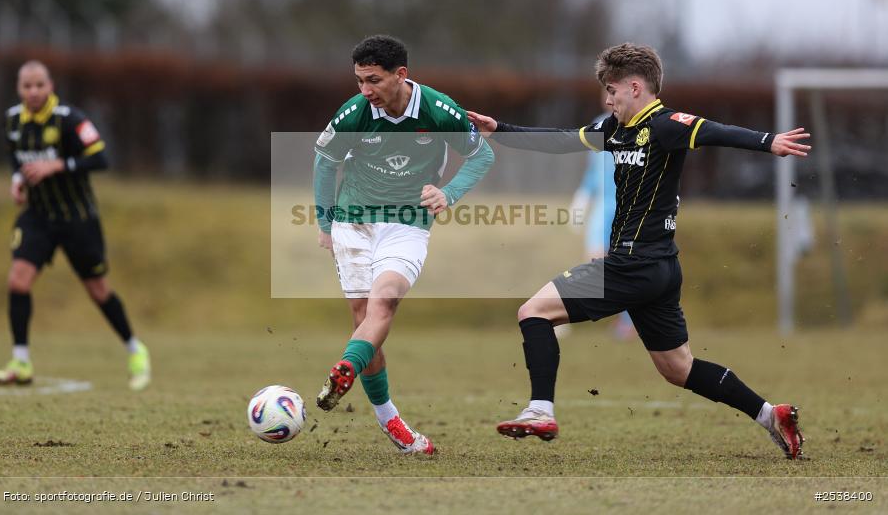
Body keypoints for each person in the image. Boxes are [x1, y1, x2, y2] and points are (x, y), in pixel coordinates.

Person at [467, 43, 810, 459]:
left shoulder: (666, 125)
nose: (607, 100)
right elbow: (562, 141)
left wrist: (768, 141)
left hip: (633, 264)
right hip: (658, 268)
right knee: (678, 369)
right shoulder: (615, 129)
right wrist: (500, 129)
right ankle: (771, 415)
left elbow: (716, 131)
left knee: (533, 312)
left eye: (612, 91)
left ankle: (540, 409)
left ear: (635, 87)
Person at [313, 35, 494, 454]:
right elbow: (324, 162)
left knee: (386, 300)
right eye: (359, 80)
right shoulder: (354, 112)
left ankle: (345, 367)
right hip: (353, 220)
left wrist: (448, 193)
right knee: (364, 321)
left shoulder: (438, 109)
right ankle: (389, 419)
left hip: (407, 223)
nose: (365, 90)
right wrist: (325, 224)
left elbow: (482, 155)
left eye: (373, 80)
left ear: (401, 75)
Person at [0, 61, 150, 391]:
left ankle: (135, 349)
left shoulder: (69, 119)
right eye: (27, 86)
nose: (33, 92)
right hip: (38, 217)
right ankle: (21, 361)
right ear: (19, 89)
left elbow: (101, 158)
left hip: (77, 218)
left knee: (98, 290)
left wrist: (58, 165)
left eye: (39, 85)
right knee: (18, 280)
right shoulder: (12, 121)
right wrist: (18, 180)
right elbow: (15, 158)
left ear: (50, 86)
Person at [561, 107, 636, 341]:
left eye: (614, 91)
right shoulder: (600, 124)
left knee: (628, 265)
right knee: (594, 262)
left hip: (631, 208)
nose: (610, 98)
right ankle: (559, 312)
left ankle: (629, 323)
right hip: (603, 206)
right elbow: (594, 169)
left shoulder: (645, 124)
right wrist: (582, 197)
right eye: (608, 91)